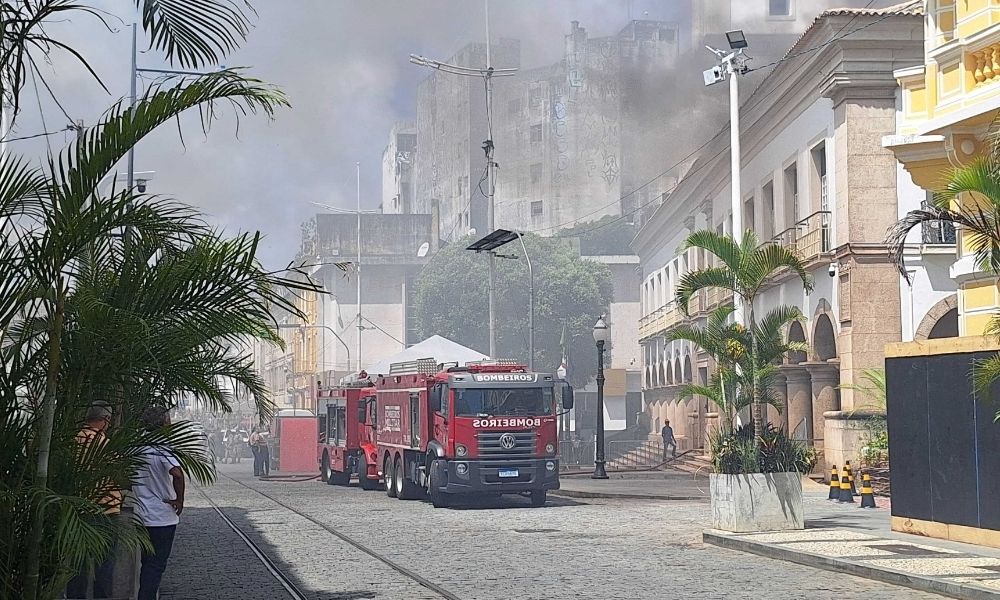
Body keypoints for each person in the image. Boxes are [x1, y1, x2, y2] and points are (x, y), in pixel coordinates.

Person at [66, 402, 123, 599]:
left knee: (78, 563)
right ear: (106, 420)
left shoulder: (73, 440)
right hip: (106, 512)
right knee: (105, 563)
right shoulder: (103, 443)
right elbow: (117, 475)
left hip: (79, 511)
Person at [133, 407, 185, 600]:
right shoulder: (162, 446)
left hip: (140, 515)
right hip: (162, 517)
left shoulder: (136, 445)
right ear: (163, 423)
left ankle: (144, 594)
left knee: (146, 563)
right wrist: (179, 499)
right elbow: (177, 473)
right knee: (156, 565)